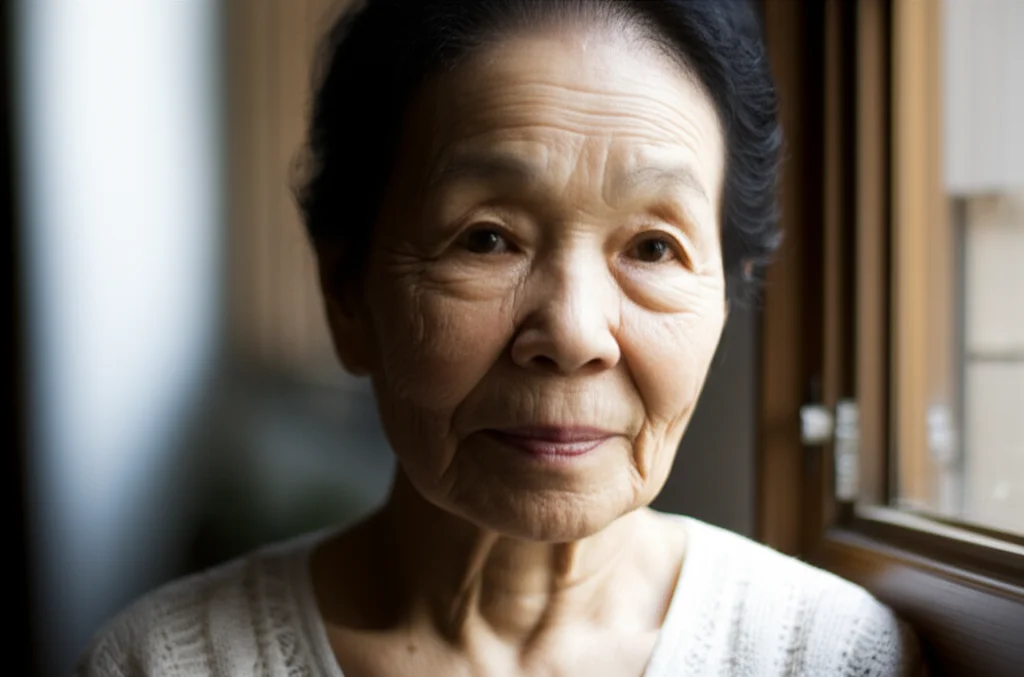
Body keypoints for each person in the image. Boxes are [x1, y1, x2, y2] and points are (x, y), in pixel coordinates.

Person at [77, 1, 922, 675]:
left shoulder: (827, 657)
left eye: (653, 246)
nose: (573, 332)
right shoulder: (161, 662)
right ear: (346, 293)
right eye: (487, 237)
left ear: (727, 300)